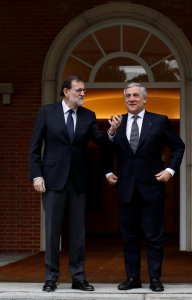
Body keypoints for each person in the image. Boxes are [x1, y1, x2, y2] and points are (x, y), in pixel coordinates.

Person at [29, 75, 120, 292]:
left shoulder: (89, 115)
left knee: (78, 232)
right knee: (52, 231)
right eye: (79, 90)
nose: (82, 94)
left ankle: (78, 277)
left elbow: (99, 141)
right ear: (66, 91)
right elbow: (34, 148)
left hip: (79, 180)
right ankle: (51, 277)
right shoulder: (46, 112)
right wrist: (36, 175)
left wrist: (112, 131)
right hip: (52, 179)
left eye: (84, 91)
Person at [106, 82, 185, 292]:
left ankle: (155, 278)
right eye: (127, 96)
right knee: (129, 237)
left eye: (135, 96)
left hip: (151, 189)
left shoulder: (159, 121)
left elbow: (178, 146)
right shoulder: (117, 123)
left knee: (154, 236)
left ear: (144, 99)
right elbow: (107, 150)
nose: (131, 99)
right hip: (126, 190)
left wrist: (170, 171)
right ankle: (132, 278)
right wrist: (111, 134)